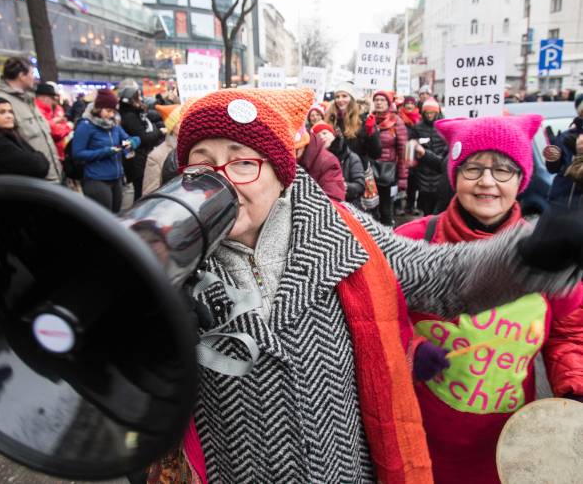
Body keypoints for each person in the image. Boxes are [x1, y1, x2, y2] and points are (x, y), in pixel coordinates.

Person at [147, 88, 583, 484]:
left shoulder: (340, 230)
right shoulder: (166, 256)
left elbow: (438, 275)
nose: (220, 180)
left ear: (281, 174)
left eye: (243, 162)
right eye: (202, 163)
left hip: (344, 469)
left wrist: (527, 255)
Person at [396, 114, 583, 484]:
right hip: (423, 439)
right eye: (473, 168)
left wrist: (573, 387)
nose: (486, 181)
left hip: (508, 445)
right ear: (455, 176)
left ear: (521, 179)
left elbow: (569, 334)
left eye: (502, 169)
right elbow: (378, 319)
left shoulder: (547, 252)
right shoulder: (412, 240)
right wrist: (410, 349)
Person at [0, 57, 62, 183]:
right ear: (21, 76)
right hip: (34, 181)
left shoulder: (29, 100)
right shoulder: (2, 102)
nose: (34, 78)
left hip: (53, 176)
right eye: (32, 73)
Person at [71, 89, 139, 213]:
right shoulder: (86, 126)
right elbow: (77, 153)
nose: (111, 115)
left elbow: (130, 138)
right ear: (98, 108)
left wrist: (133, 142)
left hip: (117, 179)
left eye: (113, 111)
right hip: (97, 180)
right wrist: (105, 152)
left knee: (116, 216)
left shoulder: (114, 126)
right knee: (103, 218)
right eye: (108, 111)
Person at [0, 96, 49, 178]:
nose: (9, 116)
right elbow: (38, 167)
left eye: (10, 112)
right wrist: (39, 156)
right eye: (2, 112)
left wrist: (38, 157)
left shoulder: (11, 134)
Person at [118, 85, 166, 200]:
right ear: (131, 100)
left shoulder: (137, 114)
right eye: (138, 97)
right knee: (140, 191)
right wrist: (159, 132)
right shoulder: (130, 117)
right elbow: (143, 138)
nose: (141, 99)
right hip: (136, 160)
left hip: (140, 157)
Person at [373, 90, 408, 226]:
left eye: (382, 100)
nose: (379, 103)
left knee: (386, 209)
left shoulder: (397, 122)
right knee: (371, 208)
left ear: (388, 103)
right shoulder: (369, 120)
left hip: (388, 173)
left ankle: (387, 233)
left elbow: (403, 152)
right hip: (370, 172)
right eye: (376, 100)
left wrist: (403, 178)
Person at [408, 98, 448, 216]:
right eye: (427, 113)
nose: (429, 115)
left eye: (432, 113)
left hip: (439, 171)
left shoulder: (443, 126)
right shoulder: (417, 127)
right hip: (423, 172)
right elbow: (412, 145)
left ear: (437, 112)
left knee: (439, 209)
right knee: (426, 208)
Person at [544, 93, 583, 210]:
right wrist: (552, 155)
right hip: (562, 200)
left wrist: (580, 154)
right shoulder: (566, 136)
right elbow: (552, 169)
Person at [298, 122, 346, 201]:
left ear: (332, 134)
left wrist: (348, 186)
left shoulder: (331, 160)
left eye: (324, 133)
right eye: (318, 135)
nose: (322, 137)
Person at [143, 104, 181, 195]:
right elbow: (151, 194)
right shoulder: (156, 156)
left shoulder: (195, 148)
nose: (188, 123)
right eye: (181, 121)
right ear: (172, 127)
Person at [34, 83, 71, 162]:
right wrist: (68, 127)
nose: (54, 100)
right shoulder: (39, 110)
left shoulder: (55, 109)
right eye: (52, 98)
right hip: (48, 152)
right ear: (44, 97)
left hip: (56, 151)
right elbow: (55, 132)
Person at [399, 96, 422, 214]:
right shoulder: (399, 119)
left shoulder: (419, 119)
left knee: (413, 182)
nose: (409, 106)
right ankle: (398, 206)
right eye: (407, 103)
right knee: (401, 181)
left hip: (415, 155)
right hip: (402, 154)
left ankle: (410, 206)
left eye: (411, 103)